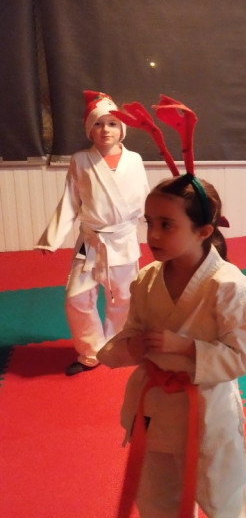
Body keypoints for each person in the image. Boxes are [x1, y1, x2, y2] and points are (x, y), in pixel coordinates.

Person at [98, 174, 246, 517]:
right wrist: (133, 348)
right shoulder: (146, 279)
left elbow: (244, 355)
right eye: (149, 223)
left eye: (166, 225)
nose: (153, 235)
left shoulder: (229, 287)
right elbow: (131, 333)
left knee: (224, 497)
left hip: (206, 410)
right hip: (154, 406)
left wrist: (186, 347)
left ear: (203, 231)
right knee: (155, 495)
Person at [35, 90, 150, 376]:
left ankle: (115, 346)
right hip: (91, 240)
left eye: (112, 123)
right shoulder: (80, 160)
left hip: (123, 240)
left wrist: (160, 230)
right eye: (97, 124)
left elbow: (145, 200)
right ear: (89, 130)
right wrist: (52, 238)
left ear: (122, 128)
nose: (105, 129)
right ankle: (90, 352)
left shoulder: (135, 160)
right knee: (76, 297)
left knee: (123, 299)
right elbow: (70, 201)